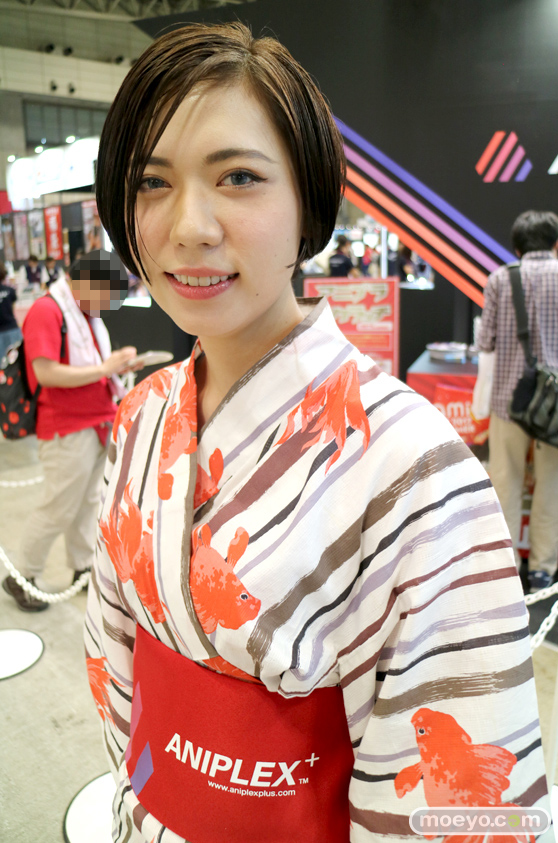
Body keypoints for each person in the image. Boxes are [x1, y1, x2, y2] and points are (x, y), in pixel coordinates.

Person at [84, 23, 551, 843]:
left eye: (238, 177)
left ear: (307, 202)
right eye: (151, 182)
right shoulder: (143, 411)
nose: (189, 226)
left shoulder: (418, 465)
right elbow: (113, 656)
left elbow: (458, 793)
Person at [2, 263, 138, 612]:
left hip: (97, 421)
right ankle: (22, 575)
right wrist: (105, 368)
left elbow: (89, 367)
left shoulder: (83, 312)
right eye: (107, 296)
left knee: (88, 503)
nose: (108, 306)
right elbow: (46, 373)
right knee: (59, 508)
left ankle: (82, 567)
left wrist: (115, 368)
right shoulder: (47, 310)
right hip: (66, 426)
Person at [478, 210, 558, 592]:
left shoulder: (500, 279)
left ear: (517, 247)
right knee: (551, 486)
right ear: (555, 243)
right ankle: (543, 569)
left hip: (508, 401)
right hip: (555, 406)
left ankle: (507, 570)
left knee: (506, 485)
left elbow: (486, 342)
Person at [0, 261, 22, 362]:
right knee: (17, 363)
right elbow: (11, 309)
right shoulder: (10, 291)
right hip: (12, 329)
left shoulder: (10, 291)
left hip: (9, 329)